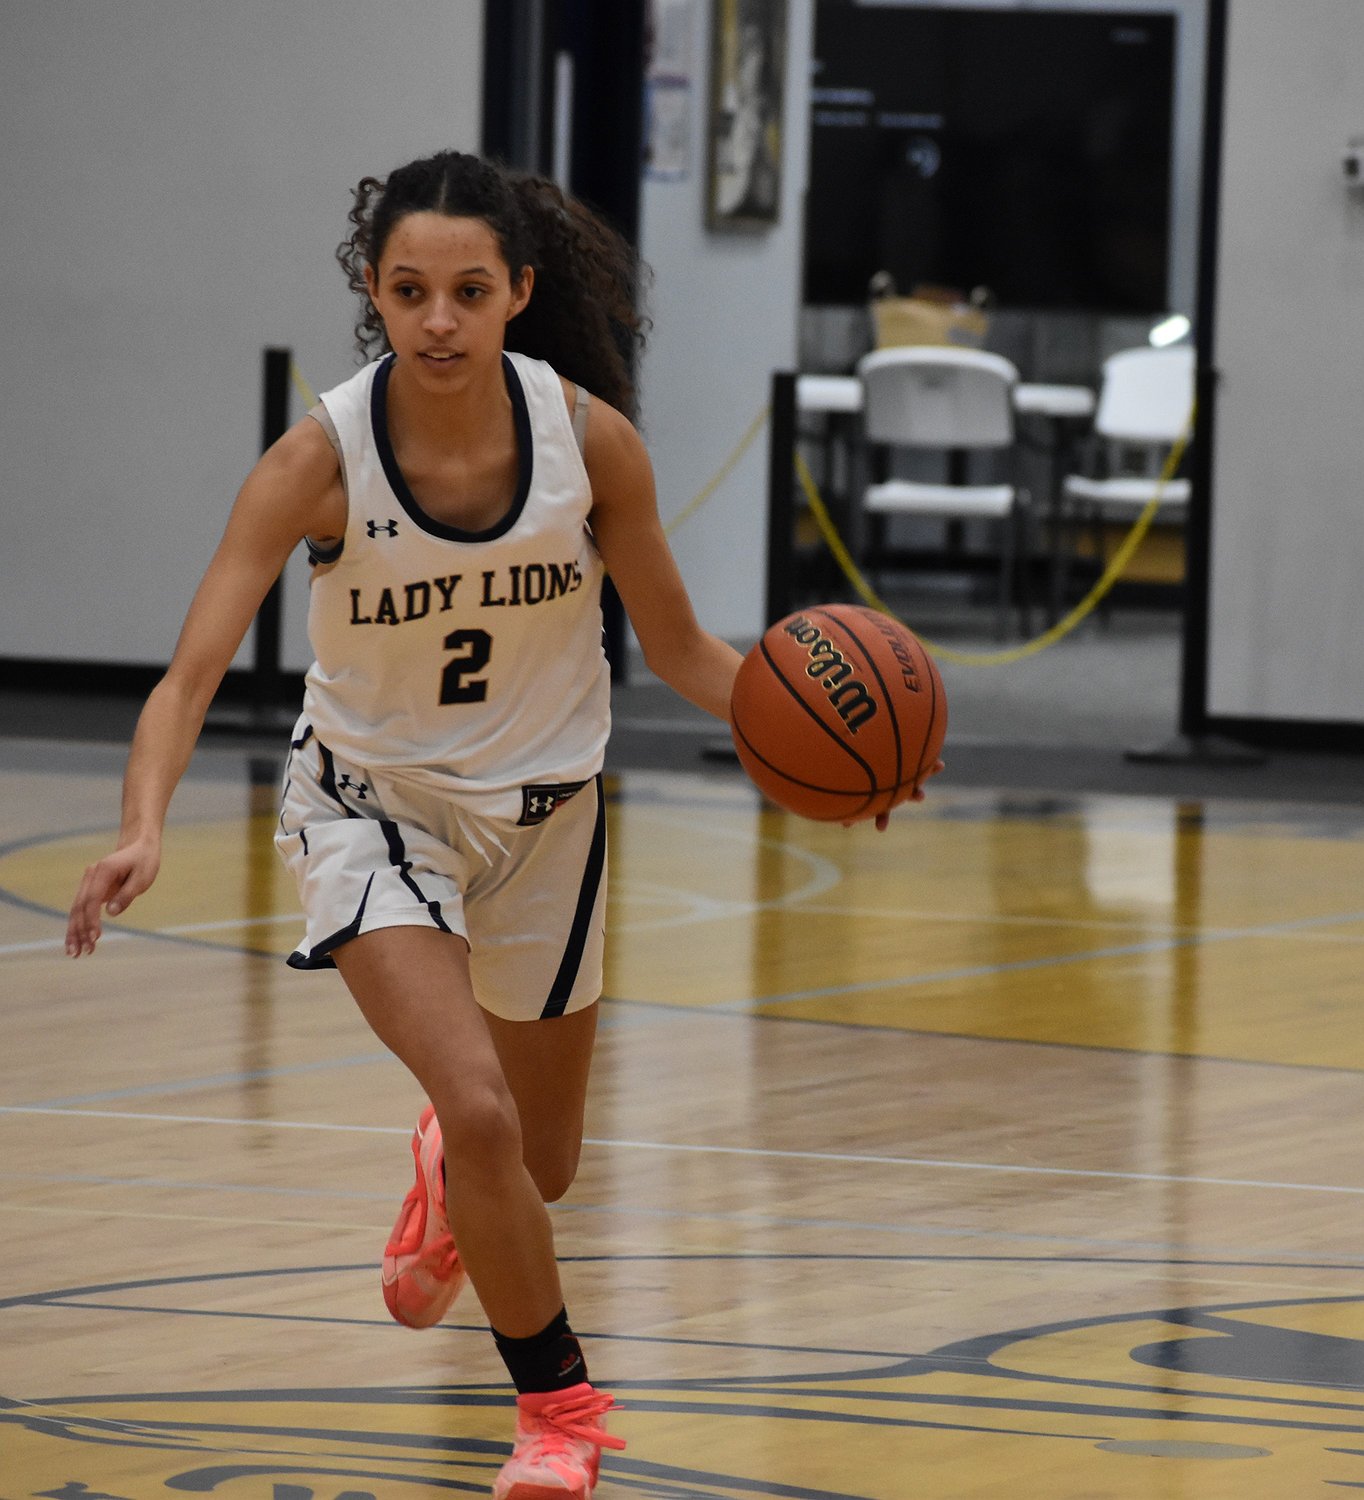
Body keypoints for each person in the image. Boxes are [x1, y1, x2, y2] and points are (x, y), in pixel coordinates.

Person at [64, 148, 933, 1499]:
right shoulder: (317, 462)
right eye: (410, 291)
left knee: (544, 1161)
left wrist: (835, 752)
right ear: (373, 291)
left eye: (469, 291)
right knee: (479, 1106)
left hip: (547, 821)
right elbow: (188, 677)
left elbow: (685, 651)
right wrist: (143, 826)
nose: (439, 321)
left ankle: (449, 1171)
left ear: (519, 291)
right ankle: (558, 1414)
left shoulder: (590, 445)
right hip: (373, 810)